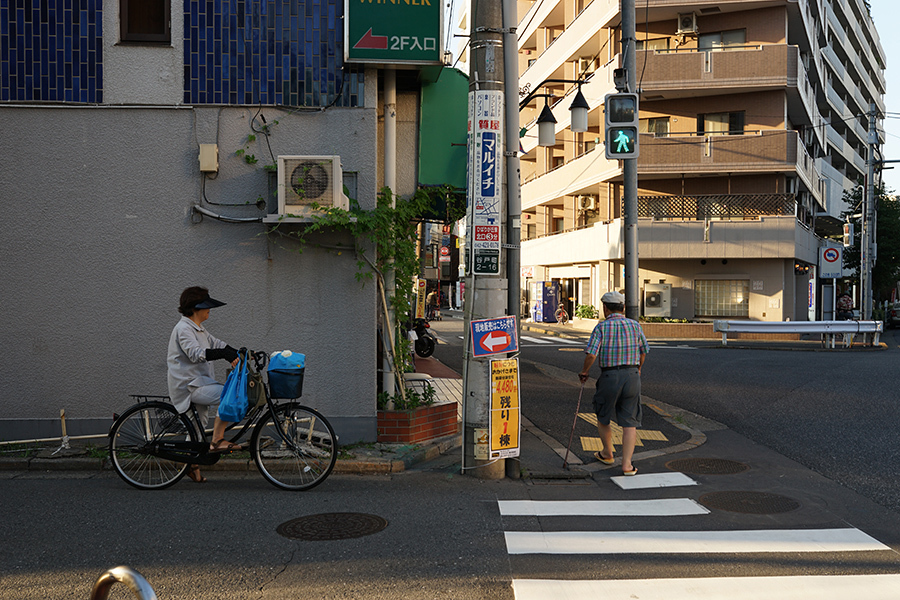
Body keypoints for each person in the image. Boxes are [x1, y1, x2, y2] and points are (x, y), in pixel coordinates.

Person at [167, 286, 242, 483]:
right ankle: (217, 440)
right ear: (195, 308)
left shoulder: (198, 329)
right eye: (206, 306)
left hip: (199, 383)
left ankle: (190, 467)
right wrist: (225, 355)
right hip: (189, 386)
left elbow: (215, 344)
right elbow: (196, 354)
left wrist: (237, 352)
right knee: (229, 394)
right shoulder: (183, 329)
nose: (210, 310)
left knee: (197, 429)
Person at [578, 291, 649, 476]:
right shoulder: (635, 325)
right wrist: (638, 368)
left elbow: (592, 354)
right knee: (629, 421)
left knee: (603, 416)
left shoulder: (601, 327)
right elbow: (643, 351)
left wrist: (585, 371)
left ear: (605, 308)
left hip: (610, 376)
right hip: (632, 375)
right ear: (623, 308)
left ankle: (608, 453)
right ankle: (627, 465)